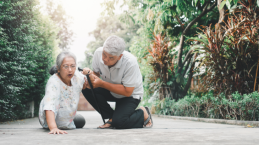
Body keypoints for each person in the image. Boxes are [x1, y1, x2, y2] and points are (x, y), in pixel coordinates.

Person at [82, 35, 153, 129]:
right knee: (87, 88)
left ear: (120, 57)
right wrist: (89, 74)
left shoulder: (130, 62)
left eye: (111, 58)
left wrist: (102, 84)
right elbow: (96, 74)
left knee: (120, 123)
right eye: (104, 54)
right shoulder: (98, 53)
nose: (105, 59)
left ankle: (143, 113)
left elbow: (128, 91)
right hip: (111, 90)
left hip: (130, 95)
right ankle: (111, 117)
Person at [38, 51, 90, 134]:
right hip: (52, 119)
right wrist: (53, 128)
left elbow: (88, 83)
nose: (70, 70)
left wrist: (88, 73)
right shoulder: (53, 82)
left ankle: (69, 120)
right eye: (66, 66)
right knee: (76, 120)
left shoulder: (76, 76)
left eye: (73, 66)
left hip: (68, 119)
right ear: (58, 68)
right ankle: (55, 124)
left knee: (81, 121)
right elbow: (49, 105)